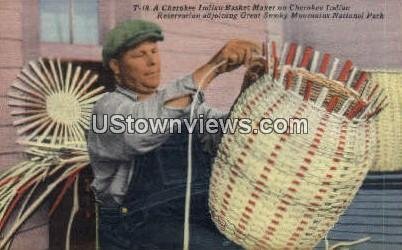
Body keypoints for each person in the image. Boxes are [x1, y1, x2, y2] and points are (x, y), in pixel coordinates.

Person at [87, 19, 265, 250]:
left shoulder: (186, 104)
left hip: (198, 212)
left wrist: (248, 91)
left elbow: (227, 139)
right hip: (138, 225)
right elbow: (143, 130)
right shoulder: (108, 107)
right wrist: (214, 66)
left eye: (154, 51)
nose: (152, 61)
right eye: (140, 54)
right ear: (115, 65)